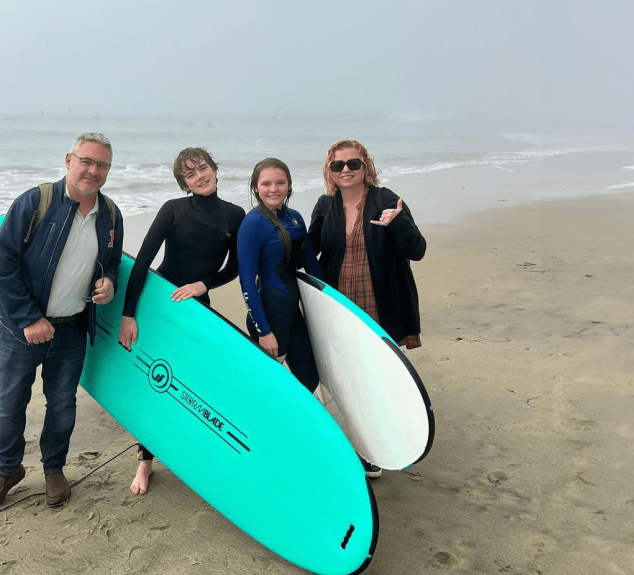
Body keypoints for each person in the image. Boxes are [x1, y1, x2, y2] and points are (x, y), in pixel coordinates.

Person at [0, 132, 124, 513]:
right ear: (69, 160)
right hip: (22, 330)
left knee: (62, 405)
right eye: (86, 161)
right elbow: (1, 264)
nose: (93, 170)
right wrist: (29, 318)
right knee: (9, 405)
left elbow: (110, 262)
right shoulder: (35, 201)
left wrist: (107, 282)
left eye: (102, 164)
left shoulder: (109, 213)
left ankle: (54, 468)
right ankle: (8, 470)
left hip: (72, 328)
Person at [118, 147, 245, 495]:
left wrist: (203, 284)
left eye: (203, 168)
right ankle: (145, 462)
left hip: (195, 307)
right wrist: (129, 313)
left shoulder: (235, 216)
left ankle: (190, 448)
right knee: (155, 380)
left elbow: (234, 268)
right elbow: (144, 259)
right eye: (190, 174)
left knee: (192, 384)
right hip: (159, 304)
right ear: (184, 183)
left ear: (215, 170)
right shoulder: (173, 210)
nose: (199, 176)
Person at [308, 139, 427, 478]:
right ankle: (361, 443)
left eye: (353, 164)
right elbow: (309, 251)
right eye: (338, 165)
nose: (345, 170)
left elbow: (417, 250)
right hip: (337, 303)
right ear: (330, 172)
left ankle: (377, 447)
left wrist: (398, 222)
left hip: (378, 302)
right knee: (347, 376)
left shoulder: (386, 199)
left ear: (366, 167)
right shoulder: (325, 205)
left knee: (375, 375)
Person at [237, 158, 322, 393]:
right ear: (255, 187)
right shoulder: (252, 223)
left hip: (292, 312)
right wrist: (264, 332)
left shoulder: (295, 218)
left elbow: (312, 265)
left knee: (309, 379)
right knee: (267, 386)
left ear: (289, 185)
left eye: (280, 183)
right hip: (270, 314)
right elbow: (246, 282)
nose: (273, 189)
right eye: (266, 184)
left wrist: (331, 301)